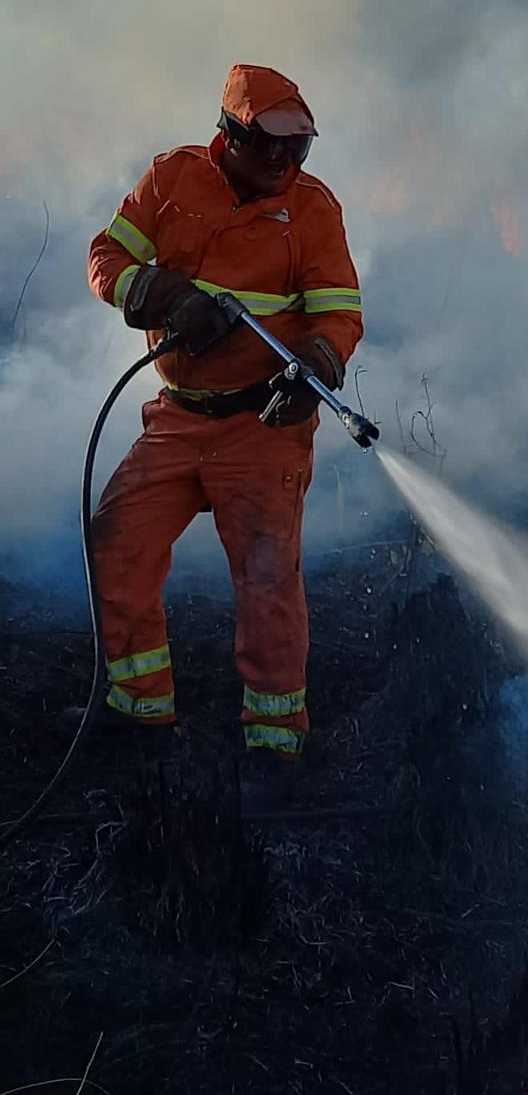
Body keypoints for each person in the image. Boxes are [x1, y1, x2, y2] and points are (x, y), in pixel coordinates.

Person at [83, 63, 363, 785]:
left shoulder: (312, 209)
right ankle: (141, 715)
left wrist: (317, 364)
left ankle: (275, 742)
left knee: (268, 582)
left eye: (299, 149)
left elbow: (338, 314)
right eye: (269, 145)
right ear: (229, 135)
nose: (284, 162)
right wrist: (164, 295)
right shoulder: (172, 179)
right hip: (177, 419)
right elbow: (106, 258)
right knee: (116, 542)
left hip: (262, 426)